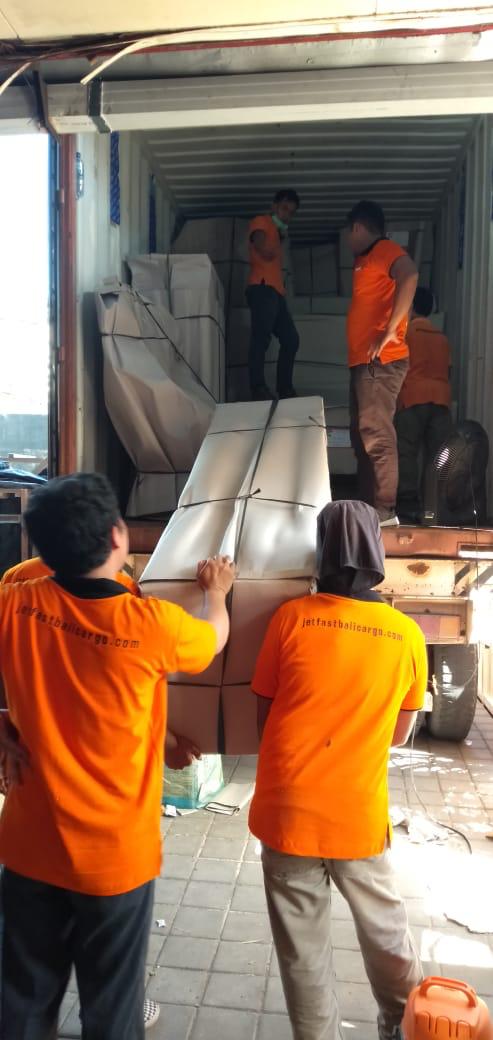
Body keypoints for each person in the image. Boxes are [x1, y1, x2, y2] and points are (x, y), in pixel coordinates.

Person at [0, 472, 235, 1040]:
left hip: (30, 847)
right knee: (112, 1008)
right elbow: (215, 638)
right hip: (114, 858)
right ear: (116, 537)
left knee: (22, 1003)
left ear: (42, 548)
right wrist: (217, 593)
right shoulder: (151, 625)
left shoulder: (16, 603)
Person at [249, 500, 427, 1040]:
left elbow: (264, 720)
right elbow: (398, 734)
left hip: (287, 816)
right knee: (387, 935)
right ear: (376, 554)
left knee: (302, 953)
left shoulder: (290, 618)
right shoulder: (405, 634)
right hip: (357, 818)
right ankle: (406, 1025)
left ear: (321, 552)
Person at [346, 201, 418, 527]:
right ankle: (367, 512)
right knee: (363, 438)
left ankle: (384, 514)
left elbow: (410, 274)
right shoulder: (365, 260)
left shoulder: (384, 250)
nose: (348, 239)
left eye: (349, 232)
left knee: (376, 434)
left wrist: (390, 331)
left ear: (358, 227)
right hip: (363, 364)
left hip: (379, 362)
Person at [395, 286, 453, 524]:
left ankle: (408, 505)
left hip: (412, 398)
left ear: (411, 307)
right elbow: (448, 370)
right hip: (441, 401)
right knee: (437, 457)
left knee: (407, 452)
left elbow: (396, 368)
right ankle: (433, 508)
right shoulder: (442, 338)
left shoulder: (406, 334)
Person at [246, 188, 300, 400]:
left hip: (276, 292)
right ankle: (258, 388)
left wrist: (279, 237)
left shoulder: (278, 234)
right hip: (262, 287)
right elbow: (263, 249)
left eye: (291, 212)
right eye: (284, 209)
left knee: (291, 339)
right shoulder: (262, 222)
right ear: (274, 206)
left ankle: (284, 388)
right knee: (261, 338)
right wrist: (276, 239)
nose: (286, 215)